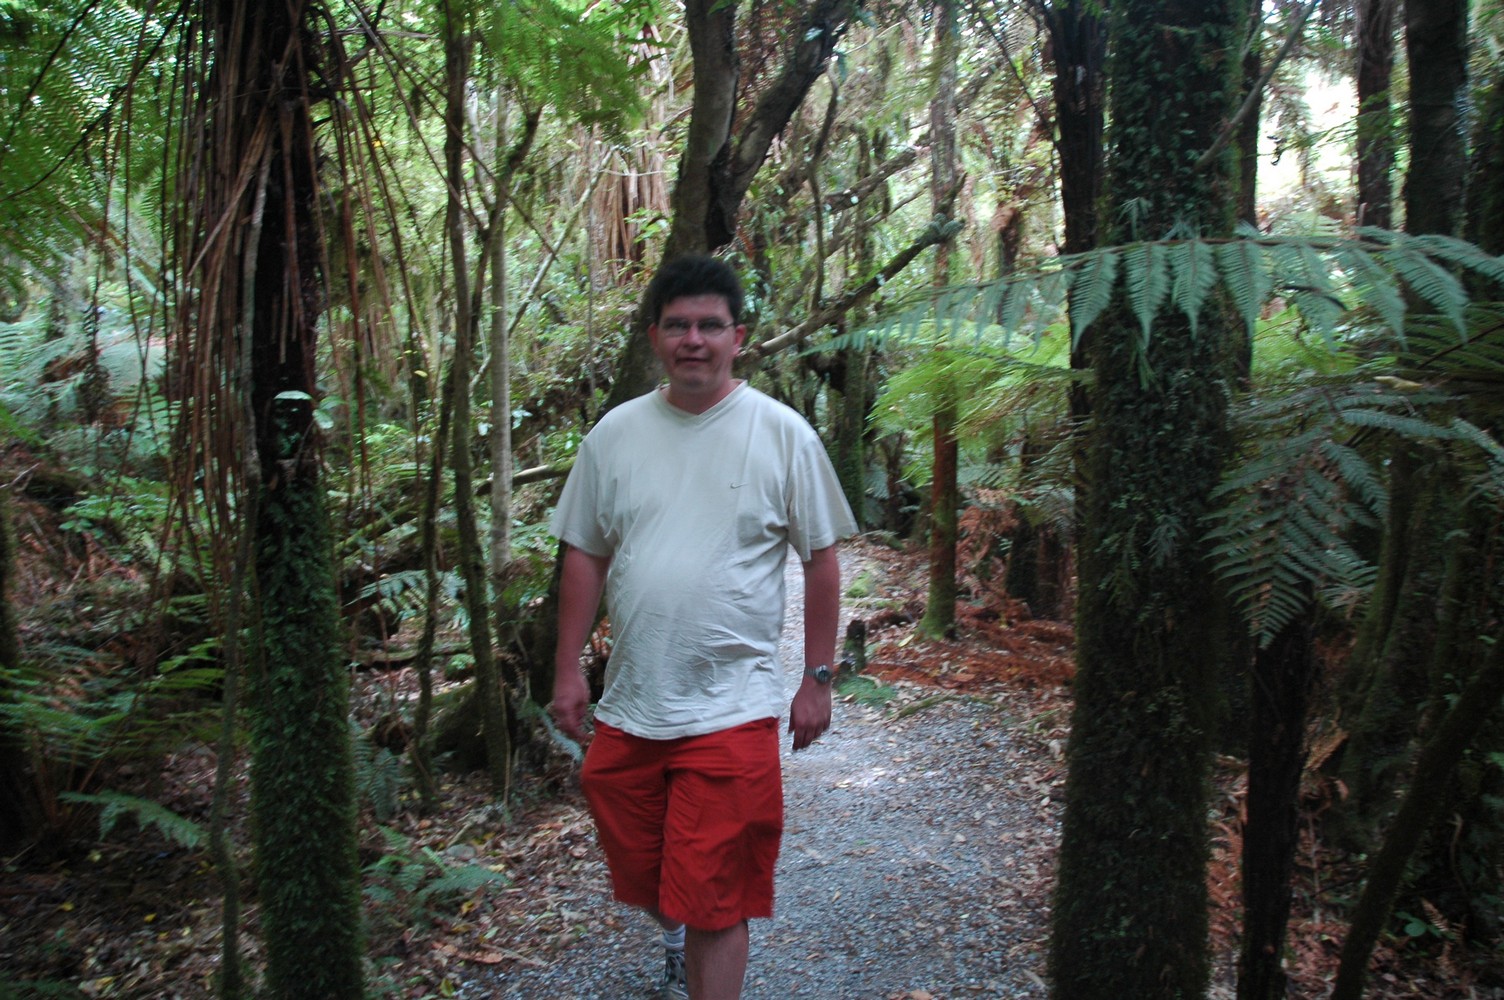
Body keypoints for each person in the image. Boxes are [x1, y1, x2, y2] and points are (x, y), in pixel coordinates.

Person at [550, 254, 857, 999]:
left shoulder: (782, 435)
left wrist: (817, 680)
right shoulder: (615, 436)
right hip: (633, 703)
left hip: (733, 704)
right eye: (679, 325)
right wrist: (566, 669)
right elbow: (584, 553)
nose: (695, 339)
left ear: (738, 336)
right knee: (652, 874)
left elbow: (820, 560)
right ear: (655, 336)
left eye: (710, 326)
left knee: (717, 897)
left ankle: (701, 947)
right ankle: (678, 931)